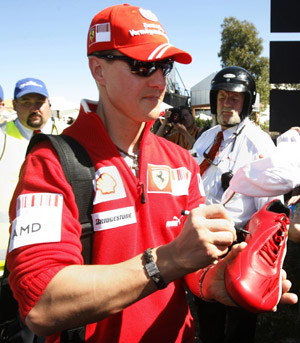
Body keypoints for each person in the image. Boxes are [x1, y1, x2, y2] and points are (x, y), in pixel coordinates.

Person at [6, 5, 296, 343]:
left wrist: (214, 281)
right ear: (98, 70)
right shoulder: (51, 162)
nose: (159, 81)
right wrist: (167, 261)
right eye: (142, 66)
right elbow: (41, 305)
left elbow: (188, 267)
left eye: (164, 66)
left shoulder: (180, 160)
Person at [192, 66, 283, 343]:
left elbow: (270, 211)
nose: (226, 104)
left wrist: (263, 265)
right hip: (202, 243)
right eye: (221, 97)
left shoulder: (259, 144)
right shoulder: (205, 138)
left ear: (247, 102)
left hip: (240, 246)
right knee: (207, 321)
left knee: (239, 326)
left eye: (235, 98)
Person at [0, 78, 67, 277]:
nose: (34, 108)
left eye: (39, 102)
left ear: (49, 104)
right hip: (6, 263)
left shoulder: (68, 137)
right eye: (26, 102)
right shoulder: (2, 137)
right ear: (15, 105)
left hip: (56, 258)